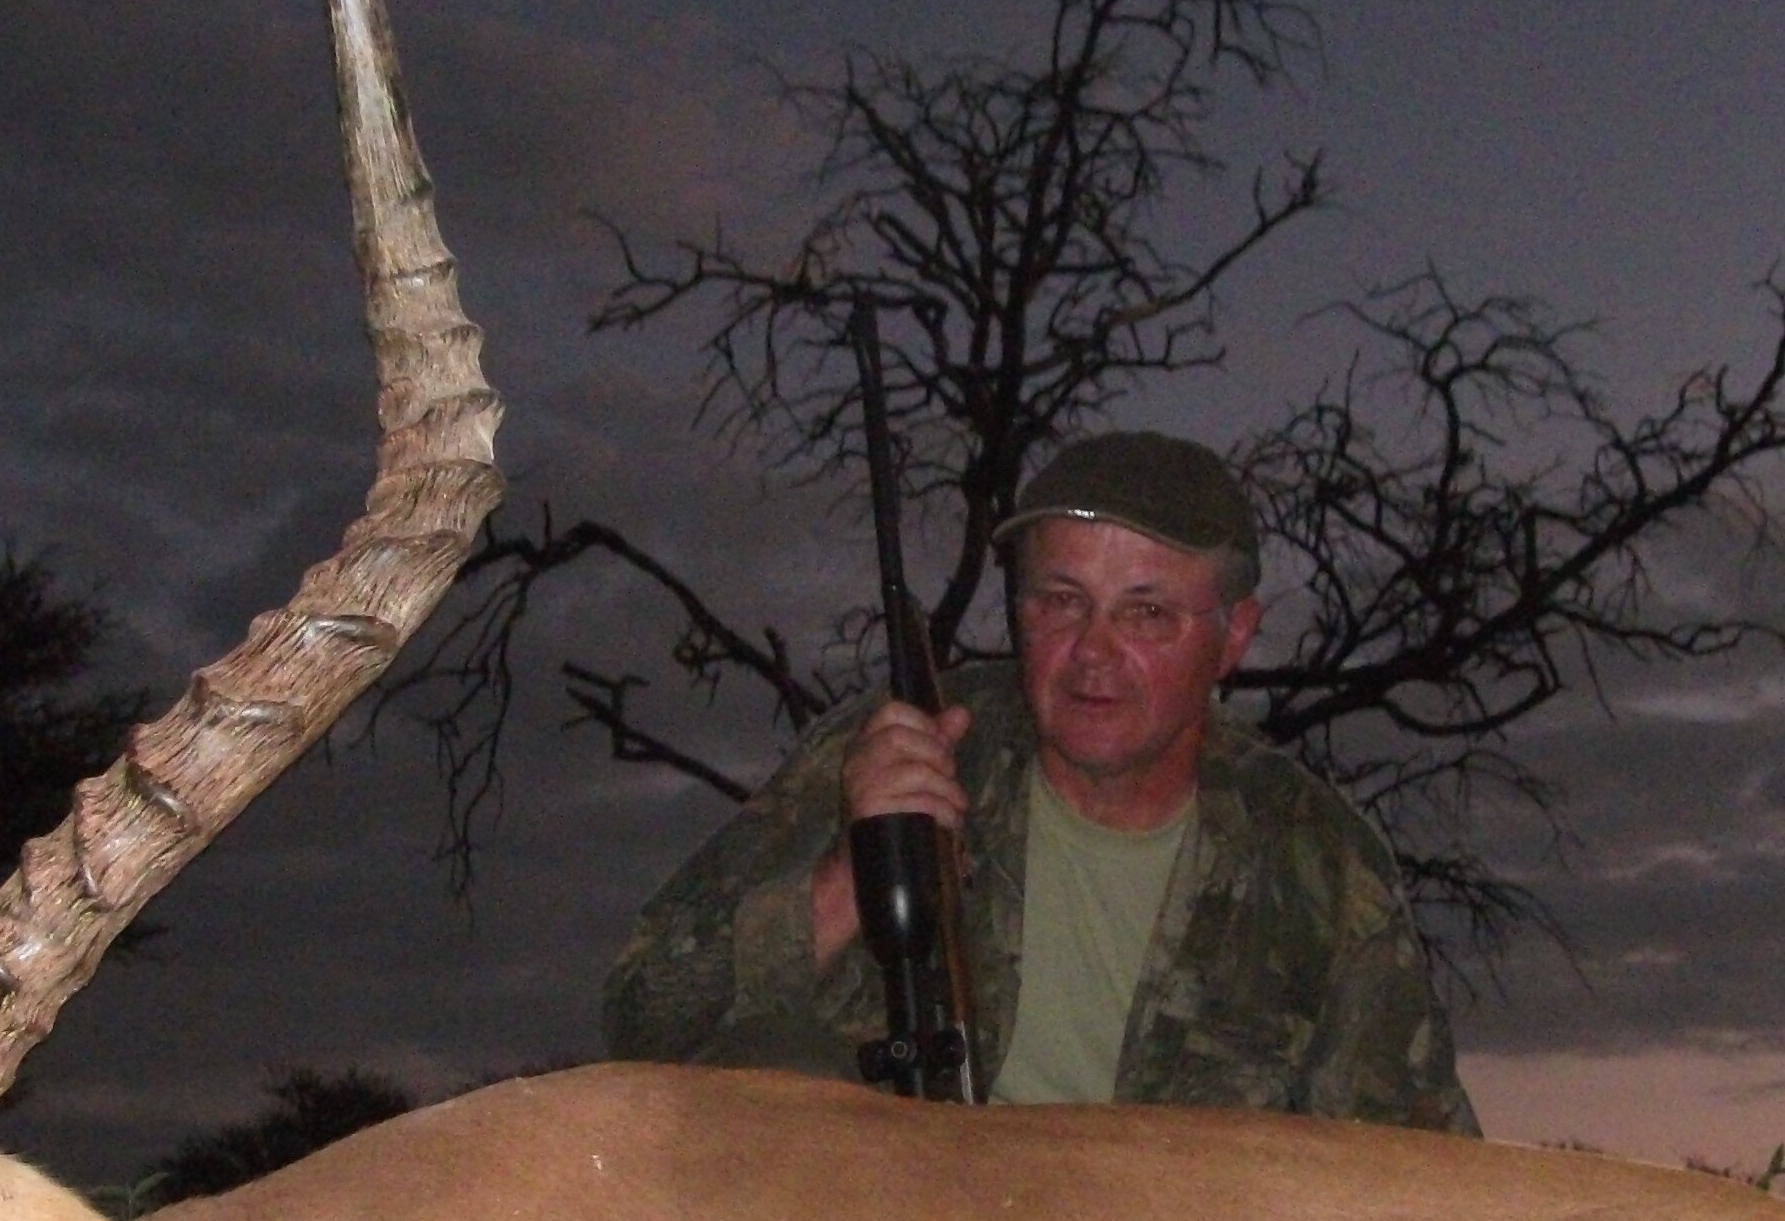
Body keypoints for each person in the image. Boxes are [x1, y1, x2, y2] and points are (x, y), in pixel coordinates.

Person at [603, 432, 1475, 1128]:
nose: (1093, 651)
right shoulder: (899, 744)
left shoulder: (1319, 858)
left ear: (1235, 635)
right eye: (1059, 601)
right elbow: (644, 1015)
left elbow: (1412, 1159)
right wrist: (850, 876)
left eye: (1147, 613)